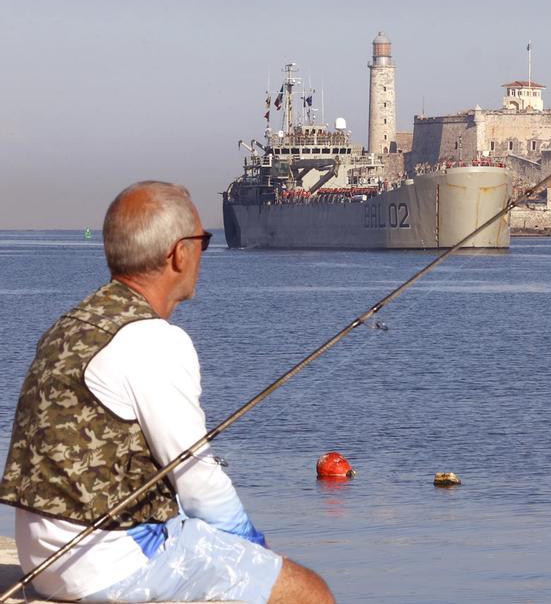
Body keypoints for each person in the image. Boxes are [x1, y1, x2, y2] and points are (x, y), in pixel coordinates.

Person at [0, 181, 333, 603]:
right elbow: (196, 479)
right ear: (179, 254)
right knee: (307, 591)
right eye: (203, 241)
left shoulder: (70, 326)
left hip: (43, 556)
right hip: (106, 559)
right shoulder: (153, 341)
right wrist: (255, 555)